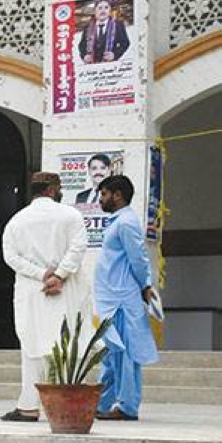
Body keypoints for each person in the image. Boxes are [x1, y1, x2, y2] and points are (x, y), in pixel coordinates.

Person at [0, 172, 91, 422]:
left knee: (32, 347)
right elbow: (78, 247)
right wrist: (59, 276)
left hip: (32, 291)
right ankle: (64, 404)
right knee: (65, 346)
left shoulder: (17, 221)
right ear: (52, 189)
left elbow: (10, 256)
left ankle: (29, 406)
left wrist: (41, 275)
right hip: (65, 290)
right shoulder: (71, 215)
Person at [94, 175, 158, 421]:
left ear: (117, 195)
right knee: (112, 354)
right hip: (112, 298)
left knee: (126, 355)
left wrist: (146, 286)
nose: (101, 199)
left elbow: (139, 259)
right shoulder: (117, 222)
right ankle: (101, 404)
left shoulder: (127, 222)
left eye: (103, 194)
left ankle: (127, 406)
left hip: (123, 298)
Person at [79, 0, 129, 64]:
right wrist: (84, 56)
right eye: (100, 8)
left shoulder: (118, 25)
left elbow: (125, 43)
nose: (103, 11)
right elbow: (82, 45)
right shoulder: (87, 27)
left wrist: (114, 55)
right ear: (95, 11)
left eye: (106, 8)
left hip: (110, 66)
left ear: (110, 10)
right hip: (92, 66)